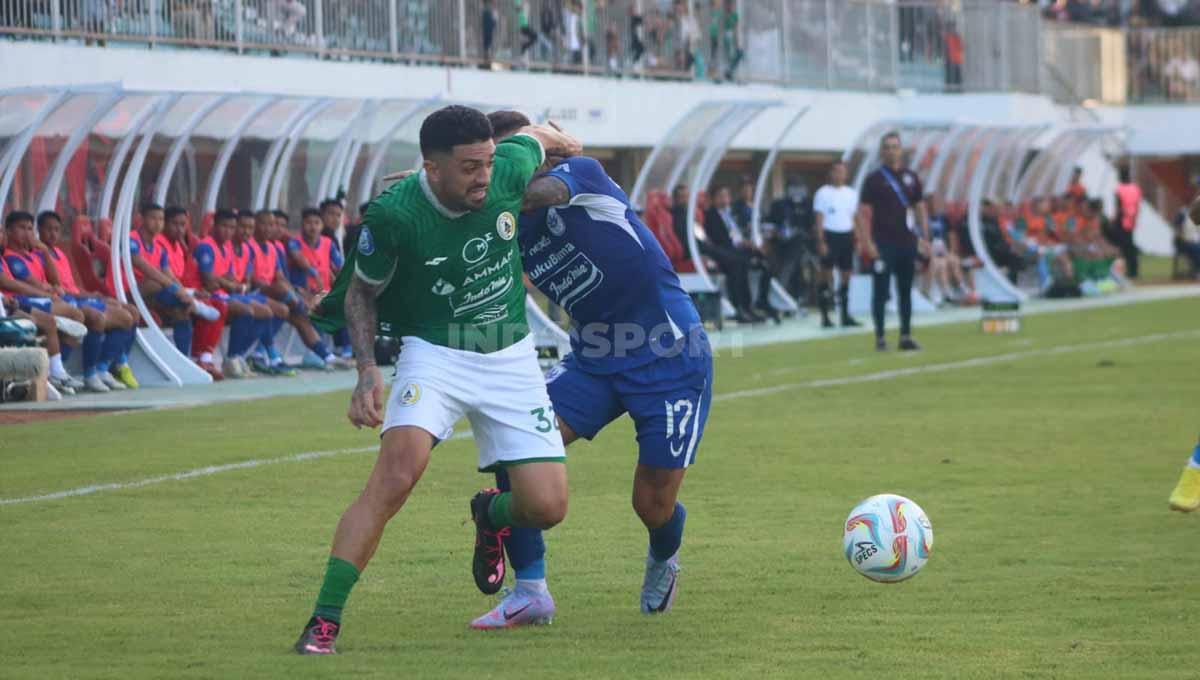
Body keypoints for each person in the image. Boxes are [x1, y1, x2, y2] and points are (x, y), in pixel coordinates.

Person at [296, 105, 581, 654]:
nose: (484, 177)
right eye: (471, 167)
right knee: (397, 475)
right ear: (431, 167)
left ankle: (489, 514)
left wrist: (561, 138)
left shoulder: (510, 166)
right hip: (435, 352)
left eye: (489, 163)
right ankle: (324, 621)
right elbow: (361, 291)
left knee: (547, 507)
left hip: (511, 358)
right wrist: (364, 374)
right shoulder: (395, 216)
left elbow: (544, 139)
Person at [461, 111, 712, 628]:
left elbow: (540, 195)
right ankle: (530, 592)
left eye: (513, 154)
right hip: (596, 356)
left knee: (652, 505)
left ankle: (663, 559)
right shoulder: (504, 223)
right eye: (493, 161)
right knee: (520, 448)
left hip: (669, 352)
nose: (504, 169)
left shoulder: (581, 175)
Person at [5, 210, 136, 392]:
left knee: (128, 316)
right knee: (85, 318)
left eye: (29, 228)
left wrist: (43, 250)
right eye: (21, 228)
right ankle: (82, 373)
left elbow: (55, 282)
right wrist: (48, 292)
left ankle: (104, 368)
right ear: (8, 231)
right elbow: (31, 284)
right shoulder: (11, 257)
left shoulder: (37, 254)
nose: (27, 233)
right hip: (26, 301)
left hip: (52, 298)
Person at [855, 130, 930, 351]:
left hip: (907, 242)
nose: (890, 151)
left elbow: (919, 207)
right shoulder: (873, 180)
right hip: (882, 243)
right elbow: (863, 213)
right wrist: (867, 242)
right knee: (880, 291)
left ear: (901, 150)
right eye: (886, 147)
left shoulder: (911, 177)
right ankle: (880, 337)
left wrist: (924, 237)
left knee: (905, 290)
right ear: (881, 151)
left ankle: (905, 336)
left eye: (894, 146)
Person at [247, 209, 347, 370]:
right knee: (292, 306)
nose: (269, 228)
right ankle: (265, 353)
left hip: (284, 295)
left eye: (272, 224)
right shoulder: (251, 246)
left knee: (299, 314)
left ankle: (327, 356)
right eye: (264, 223)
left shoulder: (274, 247)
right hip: (256, 293)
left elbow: (280, 277)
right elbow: (253, 280)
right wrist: (297, 293)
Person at [161, 206, 226, 380]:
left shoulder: (180, 247)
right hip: (158, 292)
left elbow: (180, 278)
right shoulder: (160, 243)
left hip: (177, 291)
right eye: (175, 224)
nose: (180, 229)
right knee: (185, 308)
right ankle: (185, 362)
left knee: (217, 304)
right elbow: (163, 276)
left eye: (183, 225)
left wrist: (194, 291)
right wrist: (188, 293)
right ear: (164, 223)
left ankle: (203, 358)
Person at [702, 186, 779, 323]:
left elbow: (737, 233)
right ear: (713, 199)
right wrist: (740, 244)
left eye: (726, 196)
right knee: (739, 264)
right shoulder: (711, 215)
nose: (725, 199)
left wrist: (747, 243)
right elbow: (719, 239)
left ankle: (762, 300)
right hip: (726, 251)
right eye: (721, 196)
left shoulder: (730, 214)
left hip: (739, 248)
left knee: (767, 261)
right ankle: (741, 307)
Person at [289, 207, 353, 360]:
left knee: (345, 302)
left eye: (316, 223)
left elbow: (340, 267)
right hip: (303, 291)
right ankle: (319, 353)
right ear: (302, 225)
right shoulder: (294, 243)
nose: (312, 226)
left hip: (324, 292)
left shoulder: (328, 243)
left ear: (321, 225)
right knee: (317, 306)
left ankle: (346, 350)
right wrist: (313, 273)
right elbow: (298, 259)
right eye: (308, 223)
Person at [813, 160, 860, 327]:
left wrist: (858, 238)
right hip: (830, 235)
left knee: (846, 275)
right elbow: (819, 219)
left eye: (842, 171)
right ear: (830, 173)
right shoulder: (823, 193)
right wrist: (821, 240)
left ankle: (845, 315)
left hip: (846, 235)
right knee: (826, 275)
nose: (839, 175)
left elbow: (854, 217)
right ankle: (825, 316)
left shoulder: (851, 193)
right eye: (836, 171)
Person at [1112, 166, 1141, 278]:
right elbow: (1137, 205)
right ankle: (1134, 270)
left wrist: (1115, 220)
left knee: (1123, 247)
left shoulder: (1119, 189)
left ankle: (1123, 270)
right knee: (1130, 245)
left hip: (1122, 219)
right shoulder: (1135, 188)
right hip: (1132, 219)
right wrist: (1135, 218)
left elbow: (1118, 206)